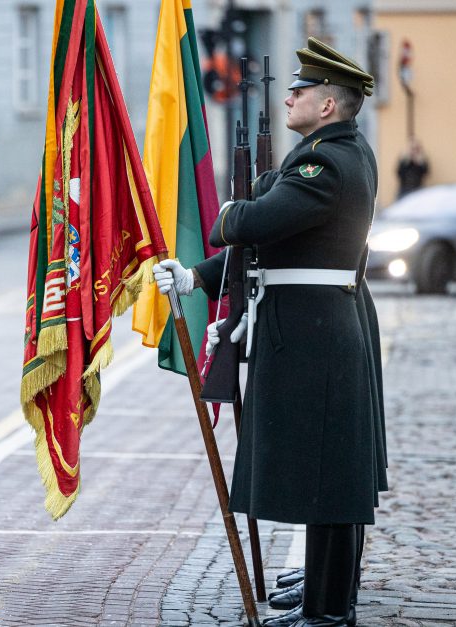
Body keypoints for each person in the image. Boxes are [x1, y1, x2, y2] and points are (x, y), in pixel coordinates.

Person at [154, 38, 385, 627]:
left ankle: (329, 609)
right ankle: (324, 591)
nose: (290, 96)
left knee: (328, 476)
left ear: (329, 105)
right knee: (327, 470)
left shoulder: (323, 163)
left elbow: (252, 225)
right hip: (315, 324)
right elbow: (271, 246)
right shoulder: (330, 153)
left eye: (301, 90)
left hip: (315, 332)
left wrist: (233, 211)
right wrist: (197, 279)